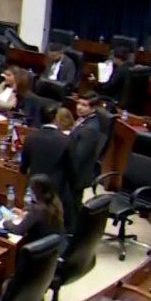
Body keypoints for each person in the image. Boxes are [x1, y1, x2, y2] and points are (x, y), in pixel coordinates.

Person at [20, 106, 71, 212]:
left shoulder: (30, 137)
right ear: (56, 118)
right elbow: (70, 167)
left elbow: (23, 168)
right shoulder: (66, 140)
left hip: (35, 187)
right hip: (56, 189)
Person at [66, 94, 104, 228]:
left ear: (93, 108)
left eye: (84, 105)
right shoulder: (84, 120)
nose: (79, 107)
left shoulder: (90, 129)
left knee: (72, 208)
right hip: (75, 174)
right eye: (79, 103)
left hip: (77, 176)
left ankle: (72, 234)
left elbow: (79, 157)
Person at [3, 174, 65, 248]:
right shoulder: (55, 204)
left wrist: (6, 222)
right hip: (52, 250)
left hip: (37, 251)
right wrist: (25, 214)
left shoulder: (37, 210)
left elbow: (18, 230)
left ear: (36, 192)